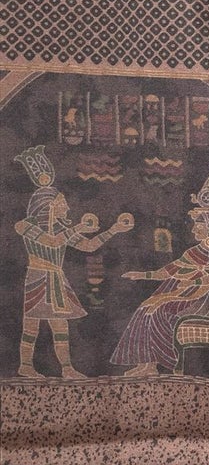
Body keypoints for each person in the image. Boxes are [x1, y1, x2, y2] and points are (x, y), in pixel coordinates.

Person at [14, 145, 134, 378]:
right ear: (48, 206)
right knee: (32, 325)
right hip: (38, 276)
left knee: (60, 325)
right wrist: (77, 227)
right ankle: (26, 366)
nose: (67, 207)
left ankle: (67, 368)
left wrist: (114, 229)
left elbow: (88, 246)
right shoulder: (26, 225)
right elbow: (51, 242)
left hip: (56, 278)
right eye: (61, 203)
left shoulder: (61, 228)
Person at [110, 163, 209, 377]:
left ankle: (163, 362)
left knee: (159, 309)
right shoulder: (195, 251)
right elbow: (169, 271)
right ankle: (146, 364)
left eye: (199, 224)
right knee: (145, 306)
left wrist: (193, 282)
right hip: (188, 290)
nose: (194, 228)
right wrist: (141, 275)